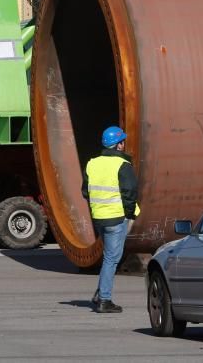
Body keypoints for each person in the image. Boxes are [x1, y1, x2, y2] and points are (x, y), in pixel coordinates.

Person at [82, 125, 140, 314]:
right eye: (123, 141)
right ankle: (104, 300)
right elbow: (130, 192)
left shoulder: (92, 163)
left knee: (109, 257)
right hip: (116, 218)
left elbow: (85, 191)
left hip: (99, 217)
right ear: (119, 145)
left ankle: (100, 293)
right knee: (111, 259)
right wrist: (129, 213)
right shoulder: (122, 165)